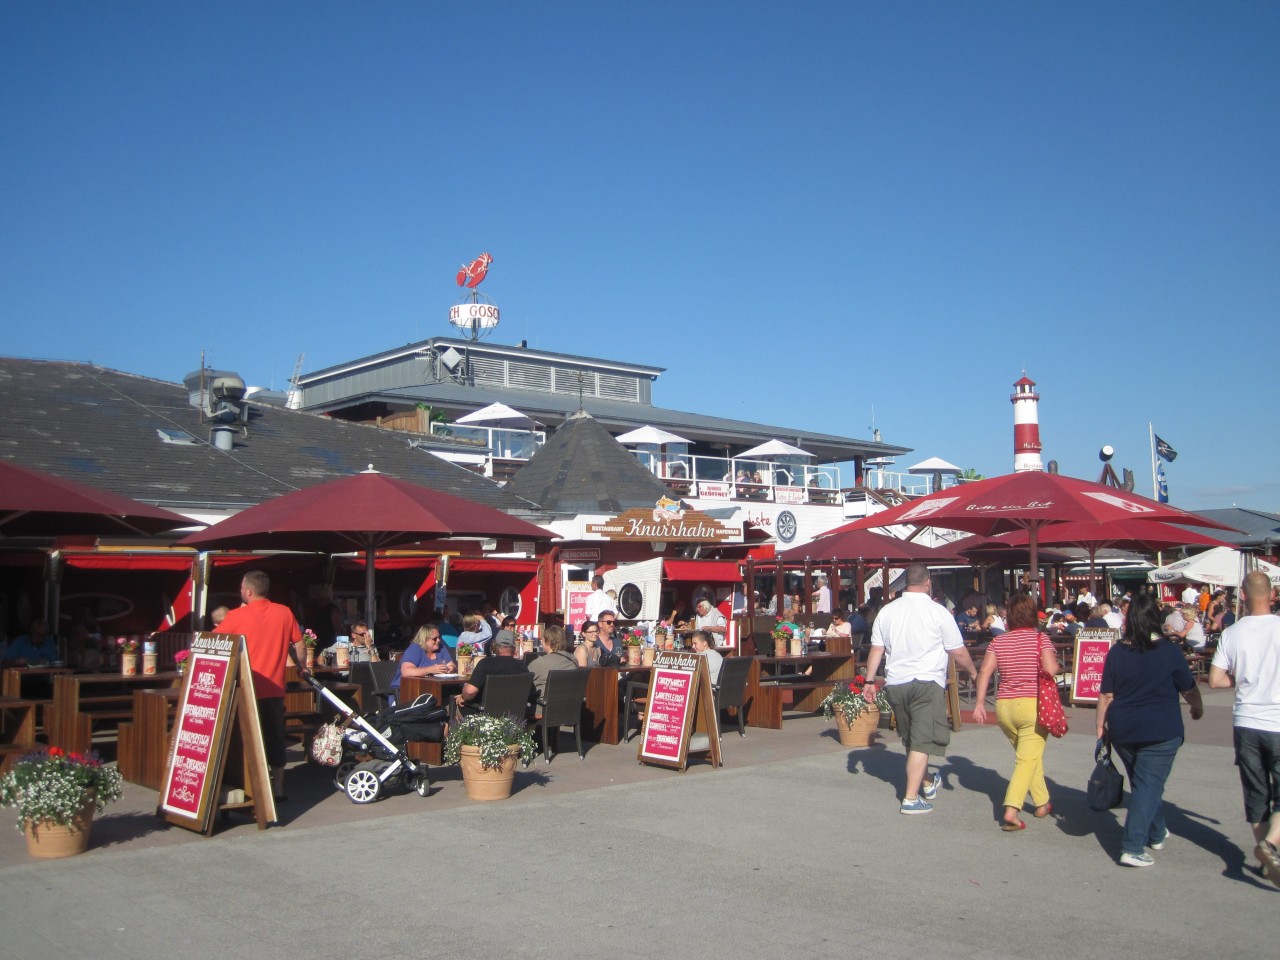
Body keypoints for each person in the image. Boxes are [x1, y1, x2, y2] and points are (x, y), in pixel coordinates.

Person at [1095, 592, 1203, 867]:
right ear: (1157, 619)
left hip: (1123, 728)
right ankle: (1132, 845)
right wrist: (1196, 708)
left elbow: (1106, 695)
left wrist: (1100, 728)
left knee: (1144, 784)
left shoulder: (1118, 651)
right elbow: (1188, 687)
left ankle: (1156, 832)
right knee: (1147, 786)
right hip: (1161, 728)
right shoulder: (1168, 650)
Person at [863, 564, 979, 815]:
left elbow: (876, 649)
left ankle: (926, 781)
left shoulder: (887, 611)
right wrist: (973, 672)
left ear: (905, 583)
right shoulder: (938, 612)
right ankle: (911, 798)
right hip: (926, 682)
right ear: (928, 582)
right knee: (921, 740)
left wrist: (869, 681)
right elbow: (957, 651)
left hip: (896, 683)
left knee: (914, 737)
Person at [1209, 570, 1280, 887]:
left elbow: (1215, 680)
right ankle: (1272, 844)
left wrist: (1243, 679)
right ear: (1272, 595)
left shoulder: (1233, 633)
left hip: (1246, 721)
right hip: (1278, 719)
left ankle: (1266, 859)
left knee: (1256, 792)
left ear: (1244, 596)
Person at [971, 594, 1061, 830]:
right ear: (1033, 615)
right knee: (1026, 759)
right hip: (1032, 704)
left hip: (1005, 707)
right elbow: (1051, 669)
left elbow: (985, 673)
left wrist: (980, 703)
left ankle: (1042, 802)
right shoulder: (1041, 639)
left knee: (1028, 756)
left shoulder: (998, 642)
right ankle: (1011, 808)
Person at [214, 570, 306, 800]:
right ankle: (279, 788)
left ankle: (253, 786)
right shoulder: (284, 612)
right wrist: (302, 667)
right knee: (275, 738)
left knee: (247, 741)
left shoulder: (236, 616)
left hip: (245, 689)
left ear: (249, 591)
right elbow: (300, 645)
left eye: (242, 589)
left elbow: (212, 642)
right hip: (275, 688)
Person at [453, 633, 531, 717]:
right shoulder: (522, 666)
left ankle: (456, 730)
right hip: (513, 716)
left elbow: (469, 692)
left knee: (457, 705)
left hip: (484, 715)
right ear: (514, 648)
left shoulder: (486, 664)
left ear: (495, 647)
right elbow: (530, 692)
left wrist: (463, 697)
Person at [392, 624, 456, 702]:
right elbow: (406, 671)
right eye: (435, 638)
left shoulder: (440, 647)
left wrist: (450, 669)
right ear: (424, 639)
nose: (438, 640)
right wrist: (431, 669)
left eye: (439, 637)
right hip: (407, 692)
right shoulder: (415, 649)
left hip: (433, 691)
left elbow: (451, 664)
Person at [529, 625, 576, 700]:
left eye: (542, 640)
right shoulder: (573, 660)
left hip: (541, 708)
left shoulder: (541, 662)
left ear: (547, 641)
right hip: (568, 707)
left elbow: (523, 682)